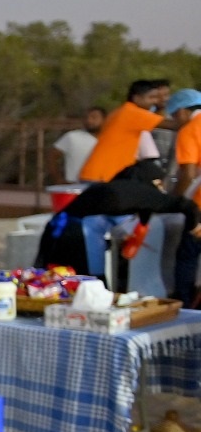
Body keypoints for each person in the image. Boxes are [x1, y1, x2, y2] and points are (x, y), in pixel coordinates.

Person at [35, 159, 201, 293]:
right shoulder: (143, 191)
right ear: (154, 181)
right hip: (80, 237)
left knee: (57, 282)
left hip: (57, 231)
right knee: (92, 287)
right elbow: (186, 206)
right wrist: (194, 227)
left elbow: (137, 212)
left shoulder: (118, 186)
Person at [78, 80, 167, 182]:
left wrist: (160, 106)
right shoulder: (132, 113)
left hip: (103, 174)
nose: (155, 101)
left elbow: (157, 118)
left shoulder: (126, 111)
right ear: (136, 98)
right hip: (102, 176)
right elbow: (175, 125)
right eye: (152, 97)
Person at [50, 105, 105, 183]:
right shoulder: (72, 137)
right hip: (75, 185)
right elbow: (52, 157)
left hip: (101, 185)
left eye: (94, 117)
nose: (89, 121)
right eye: (86, 118)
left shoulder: (110, 139)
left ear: (104, 120)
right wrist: (58, 178)